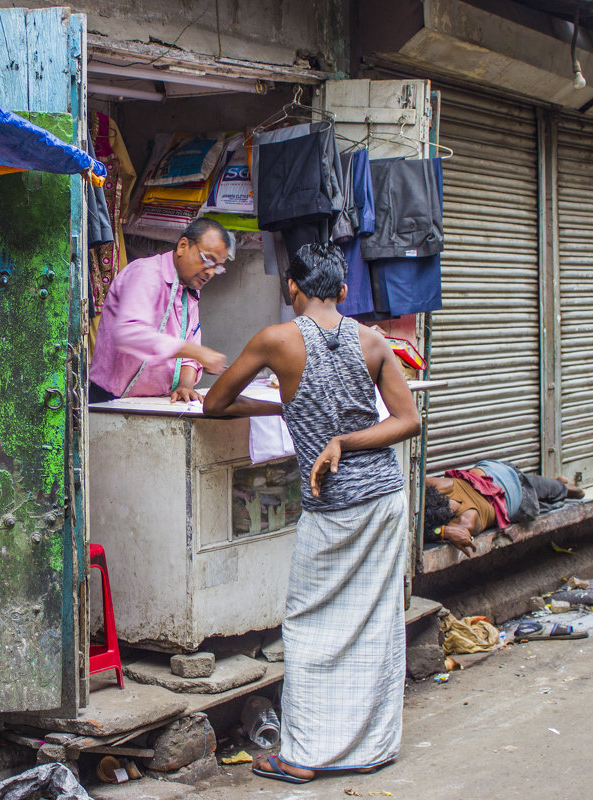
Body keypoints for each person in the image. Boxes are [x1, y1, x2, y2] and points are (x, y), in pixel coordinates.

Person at [201, 243, 421, 784]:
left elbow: (215, 402)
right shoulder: (372, 340)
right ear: (343, 292)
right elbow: (408, 419)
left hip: (334, 504)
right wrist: (329, 427)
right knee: (374, 621)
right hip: (384, 499)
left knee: (306, 623)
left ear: (291, 288)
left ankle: (302, 754)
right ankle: (370, 746)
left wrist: (297, 414)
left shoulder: (276, 340)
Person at [89, 217, 231, 403]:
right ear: (182, 246)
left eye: (217, 267)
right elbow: (130, 334)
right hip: (113, 400)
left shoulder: (190, 293)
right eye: (207, 260)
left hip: (157, 402)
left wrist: (185, 385)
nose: (210, 272)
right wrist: (197, 353)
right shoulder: (146, 273)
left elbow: (189, 349)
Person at [424, 462, 584, 557]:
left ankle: (562, 488)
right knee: (546, 493)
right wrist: (445, 531)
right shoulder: (439, 485)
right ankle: (560, 486)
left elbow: (467, 540)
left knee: (560, 494)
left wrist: (442, 532)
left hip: (514, 489)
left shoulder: (464, 523)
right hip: (500, 474)